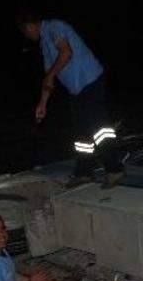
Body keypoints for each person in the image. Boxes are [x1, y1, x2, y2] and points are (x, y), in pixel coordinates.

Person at [17, 11, 126, 189]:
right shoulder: (45, 44)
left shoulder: (54, 27)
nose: (27, 37)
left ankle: (115, 169)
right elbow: (48, 78)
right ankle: (84, 172)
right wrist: (42, 104)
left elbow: (66, 53)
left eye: (25, 32)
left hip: (91, 81)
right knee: (81, 134)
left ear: (29, 26)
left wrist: (51, 73)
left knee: (99, 130)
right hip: (76, 91)